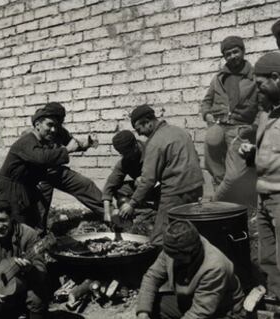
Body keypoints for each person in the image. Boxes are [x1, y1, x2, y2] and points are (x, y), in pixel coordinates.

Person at [0, 103, 104, 230]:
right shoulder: (28, 137)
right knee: (29, 214)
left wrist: (85, 144)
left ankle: (110, 212)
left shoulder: (56, 129)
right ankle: (38, 232)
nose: (54, 130)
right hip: (27, 180)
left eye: (59, 123)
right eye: (50, 124)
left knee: (84, 184)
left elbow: (71, 142)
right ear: (37, 124)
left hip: (49, 171)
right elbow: (40, 157)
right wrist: (67, 150)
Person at [119, 104, 203, 246]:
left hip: (176, 193)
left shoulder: (154, 143)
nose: (139, 134)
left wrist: (131, 204)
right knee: (189, 231)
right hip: (196, 188)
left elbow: (148, 180)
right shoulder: (180, 132)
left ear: (147, 122)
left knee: (159, 238)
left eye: (139, 129)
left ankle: (164, 266)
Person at [240, 51, 280, 319]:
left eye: (261, 83)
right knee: (268, 257)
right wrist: (251, 154)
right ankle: (277, 310)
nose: (258, 90)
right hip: (264, 196)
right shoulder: (268, 114)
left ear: (276, 78)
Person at [200, 36, 259, 186]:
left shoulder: (254, 77)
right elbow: (207, 101)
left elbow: (262, 105)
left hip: (241, 129)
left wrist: (254, 127)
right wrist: (207, 114)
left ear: (243, 51)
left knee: (238, 173)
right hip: (219, 126)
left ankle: (241, 202)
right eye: (228, 54)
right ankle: (221, 197)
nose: (232, 56)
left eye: (235, 52)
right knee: (213, 164)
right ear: (224, 57)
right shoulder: (219, 78)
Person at [102, 130, 159, 222]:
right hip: (144, 190)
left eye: (127, 153)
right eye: (122, 154)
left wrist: (132, 204)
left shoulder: (151, 151)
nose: (126, 156)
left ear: (135, 145)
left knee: (141, 181)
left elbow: (152, 180)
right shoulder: (125, 161)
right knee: (120, 189)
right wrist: (106, 212)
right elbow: (110, 184)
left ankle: (154, 211)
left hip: (162, 187)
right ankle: (147, 211)